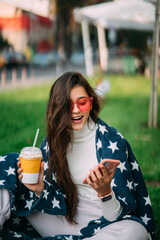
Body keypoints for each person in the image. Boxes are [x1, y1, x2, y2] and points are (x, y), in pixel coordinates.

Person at [0, 72, 156, 240]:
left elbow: (115, 216)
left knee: (135, 231)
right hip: (63, 215)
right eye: (68, 105)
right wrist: (39, 188)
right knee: (8, 164)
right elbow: (54, 202)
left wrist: (105, 193)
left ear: (91, 102)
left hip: (102, 220)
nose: (75, 110)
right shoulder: (52, 143)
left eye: (82, 103)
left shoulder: (111, 140)